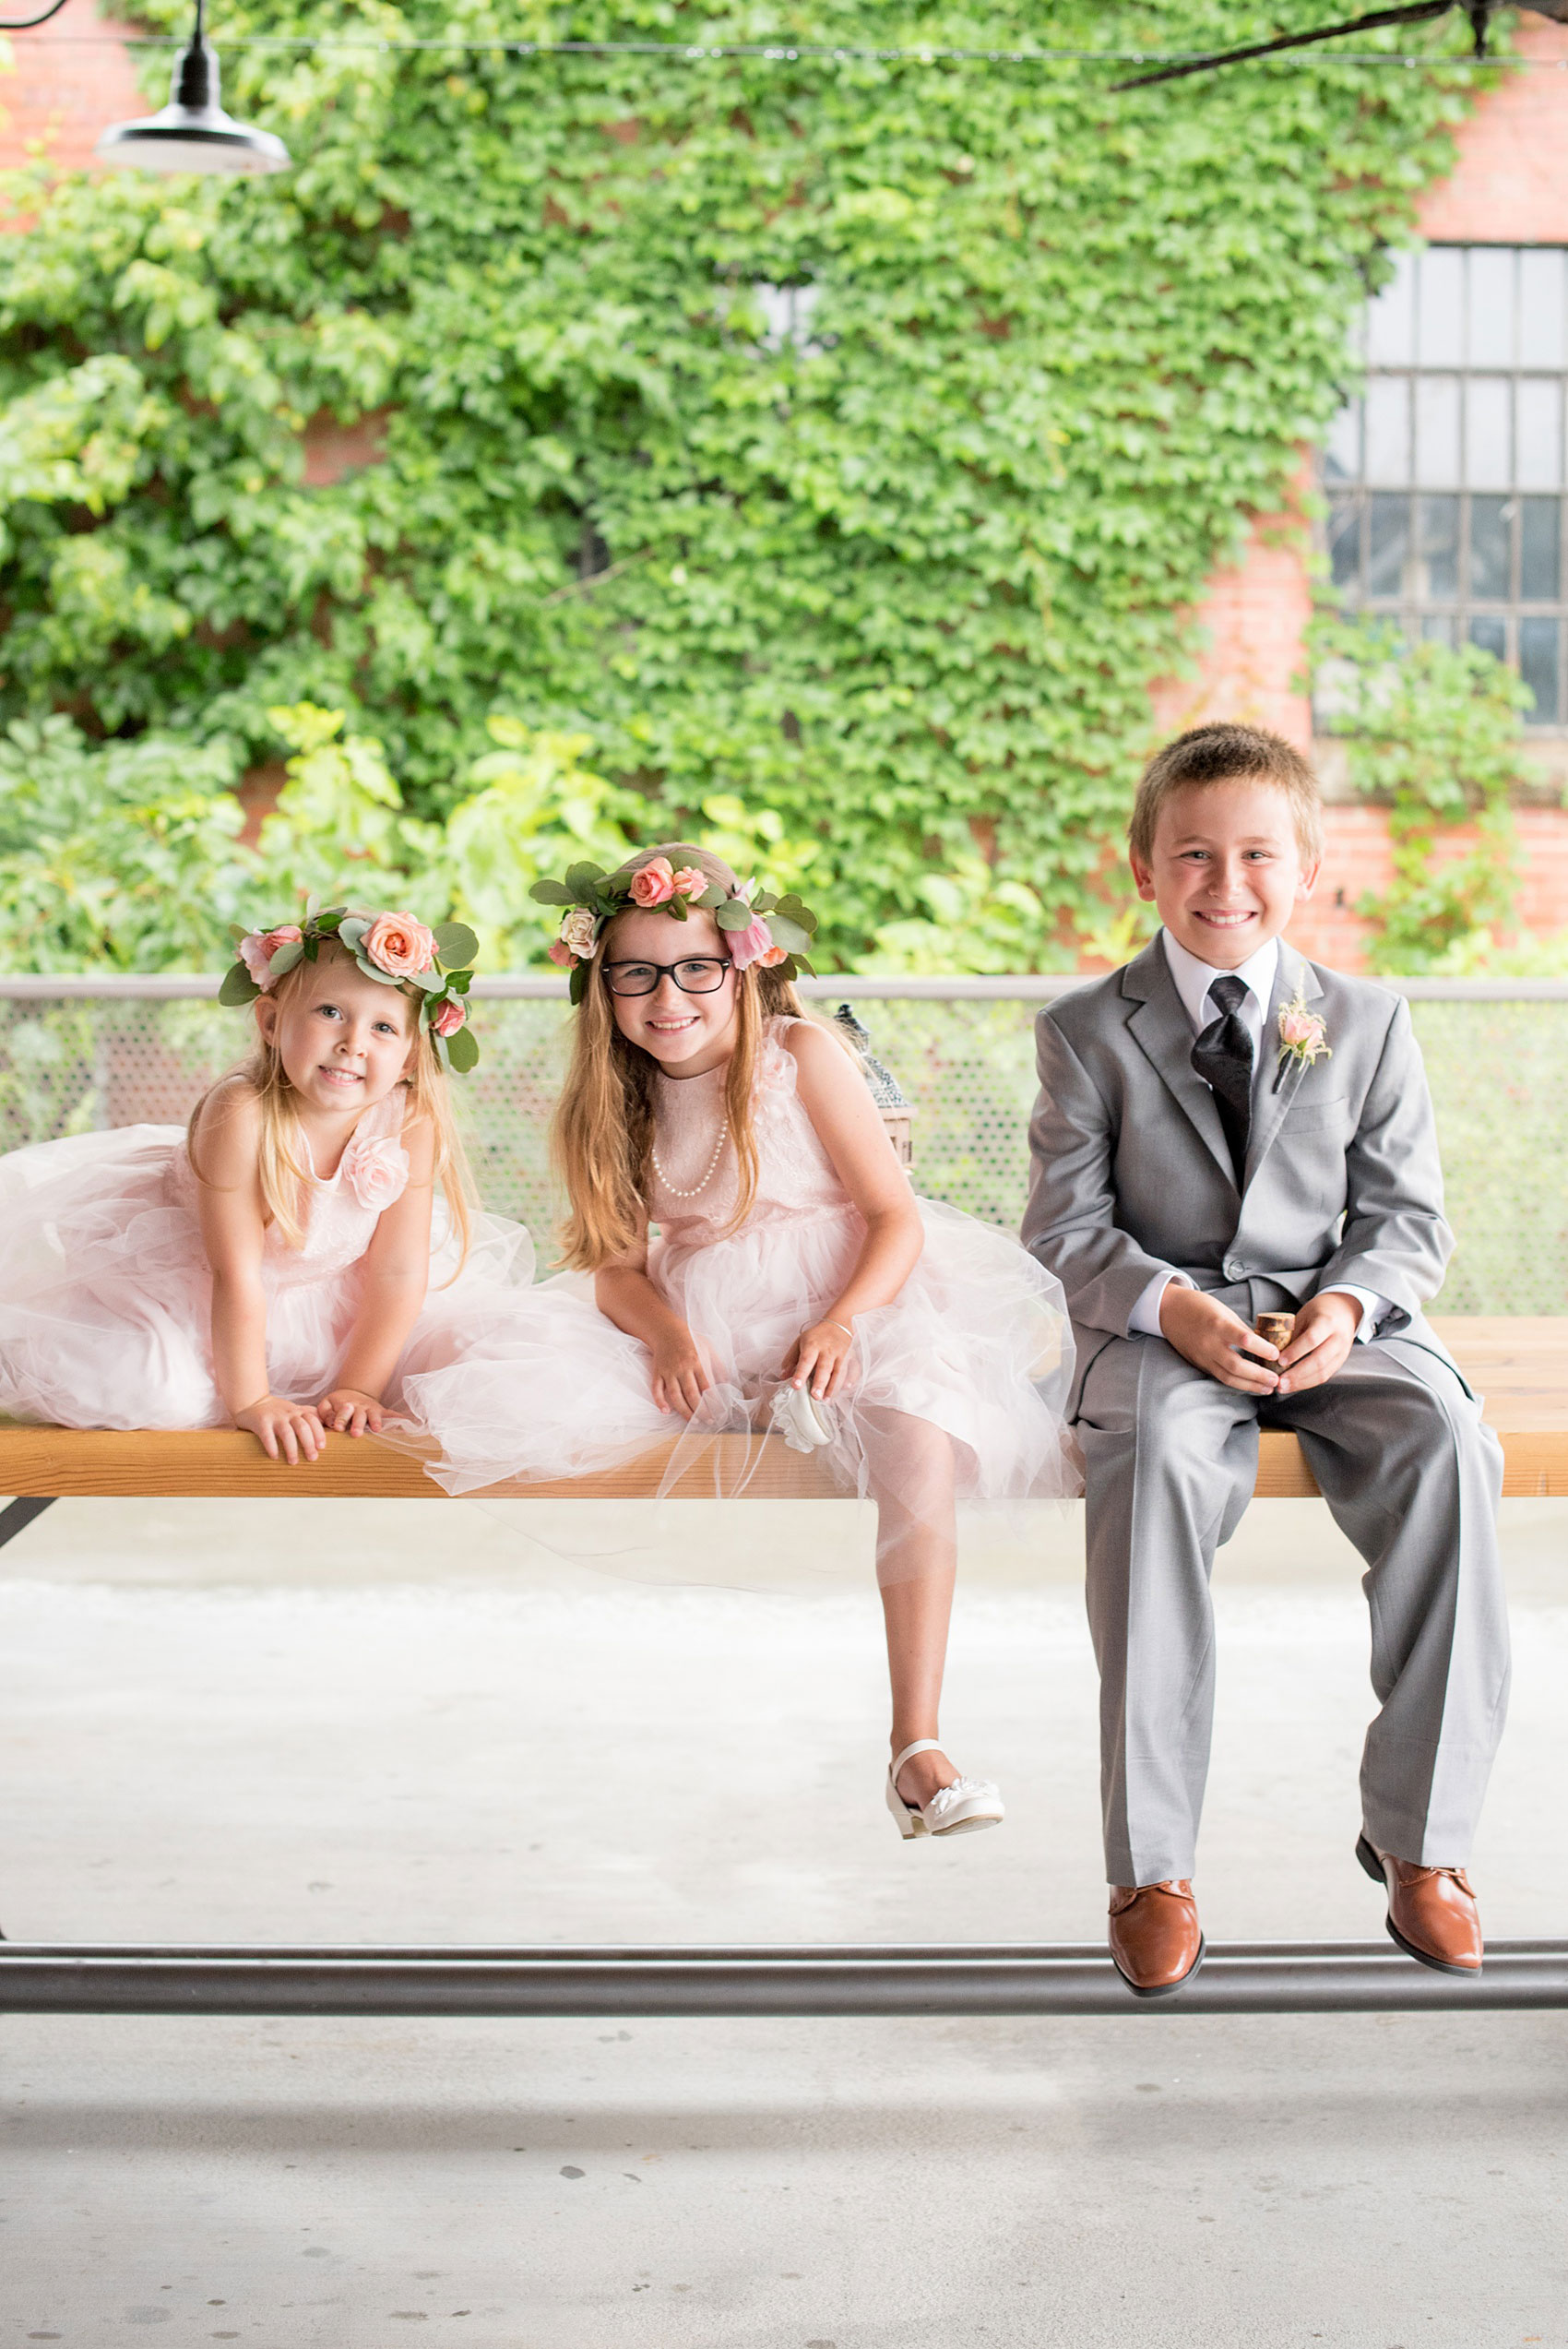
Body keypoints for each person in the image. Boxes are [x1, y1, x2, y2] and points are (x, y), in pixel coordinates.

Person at [399, 844, 1075, 1837]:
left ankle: (916, 1741)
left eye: (694, 969)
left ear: (743, 967)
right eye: (634, 973)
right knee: (513, 1390)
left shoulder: (802, 1056)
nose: (666, 997)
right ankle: (761, 1398)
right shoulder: (614, 1098)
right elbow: (617, 1265)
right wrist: (670, 1336)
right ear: (603, 986)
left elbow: (894, 1216)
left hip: (854, 1294)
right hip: (709, 1312)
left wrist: (844, 1317)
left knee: (917, 1421)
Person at [1022, 722, 1509, 1994]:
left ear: (1307, 867)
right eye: (1192, 853)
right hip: (1169, 1323)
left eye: (1255, 854)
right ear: (1143, 866)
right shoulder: (1085, 1028)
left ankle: (1425, 1842)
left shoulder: (1366, 1016)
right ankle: (1155, 1865)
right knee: (1155, 1468)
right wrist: (1174, 1310)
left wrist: (1348, 1308)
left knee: (1453, 1441)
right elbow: (1066, 1229)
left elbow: (1408, 1220)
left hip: (1333, 1319)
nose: (1223, 881)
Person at [0, 904, 532, 1459]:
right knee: (155, 1389)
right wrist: (251, 1400)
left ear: (407, 1058)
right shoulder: (242, 1112)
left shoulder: (409, 1117)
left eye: (383, 1027)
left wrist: (357, 1386)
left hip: (327, 1294)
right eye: (330, 1011)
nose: (354, 1042)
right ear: (271, 1022)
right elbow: (237, 1273)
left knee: (449, 1374)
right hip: (196, 1284)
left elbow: (398, 1270)